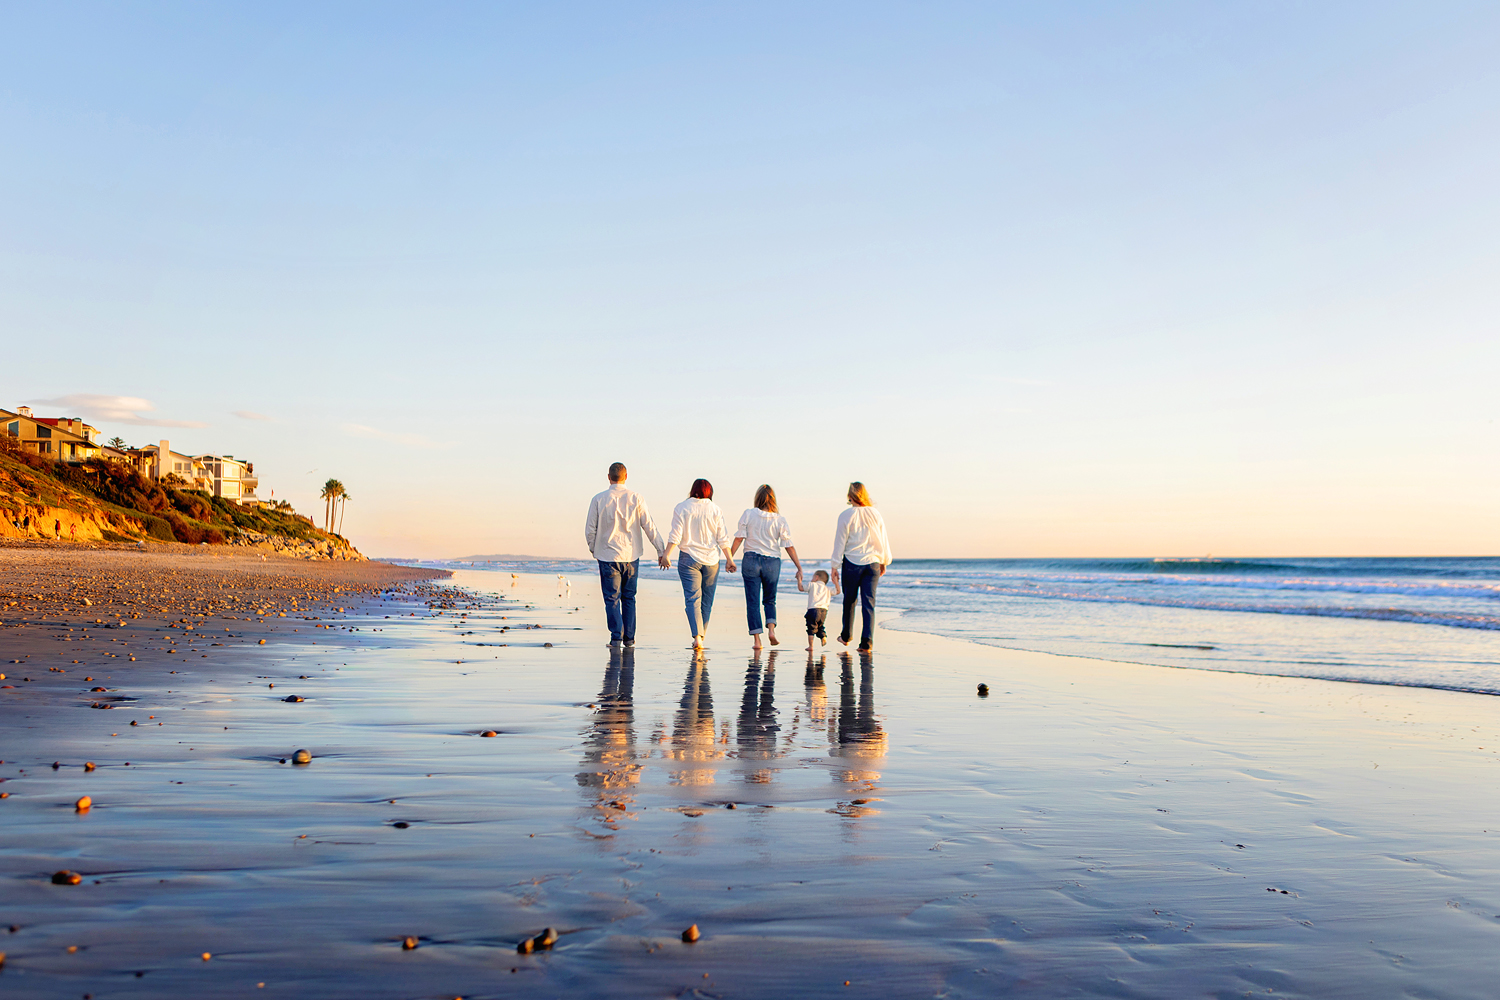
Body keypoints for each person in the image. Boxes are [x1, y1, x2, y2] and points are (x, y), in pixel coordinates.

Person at [584, 462, 669, 647]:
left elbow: (590, 529)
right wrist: (661, 550)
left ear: (608, 477)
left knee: (612, 598)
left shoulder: (598, 499)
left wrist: (594, 549)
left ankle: (616, 637)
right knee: (629, 597)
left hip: (607, 556)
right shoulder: (636, 498)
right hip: (630, 556)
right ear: (626, 476)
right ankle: (629, 639)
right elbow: (649, 525)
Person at [730, 484, 803, 651]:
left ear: (758, 498)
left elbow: (739, 538)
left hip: (751, 560)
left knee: (752, 601)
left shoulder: (748, 513)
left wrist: (730, 558)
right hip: (772, 562)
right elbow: (788, 545)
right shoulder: (780, 519)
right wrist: (798, 566)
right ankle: (771, 630)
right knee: (770, 599)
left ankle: (757, 641)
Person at [664, 479, 734, 650]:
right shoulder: (715, 509)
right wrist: (730, 559)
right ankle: (701, 638)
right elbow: (722, 538)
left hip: (689, 558)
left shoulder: (682, 507)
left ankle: (697, 637)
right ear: (710, 492)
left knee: (692, 598)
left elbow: (676, 535)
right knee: (707, 601)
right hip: (712, 560)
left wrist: (667, 554)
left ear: (692, 490)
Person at [830, 481, 892, 652]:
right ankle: (867, 643)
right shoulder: (875, 514)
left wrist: (835, 565)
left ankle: (846, 636)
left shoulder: (845, 515)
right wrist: (884, 560)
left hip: (852, 563)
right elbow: (883, 539)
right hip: (872, 563)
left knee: (849, 600)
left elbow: (840, 542)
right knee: (869, 602)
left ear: (850, 496)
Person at [799, 568, 835, 652]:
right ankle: (823, 637)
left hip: (813, 609)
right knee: (820, 626)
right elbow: (837, 591)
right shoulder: (827, 588)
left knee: (811, 627)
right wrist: (836, 582)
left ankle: (810, 646)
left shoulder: (812, 585)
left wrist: (799, 579)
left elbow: (801, 588)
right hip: (824, 611)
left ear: (816, 577)